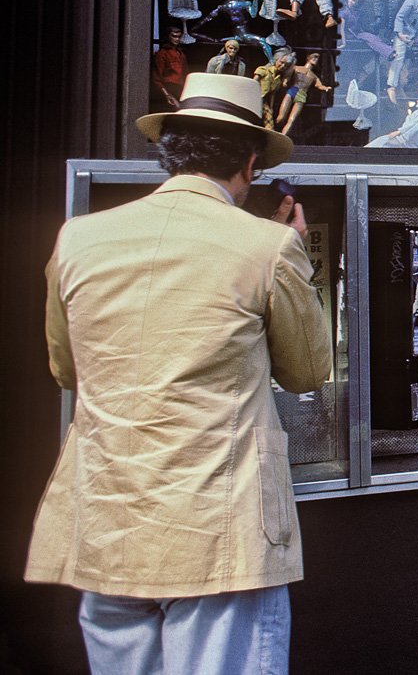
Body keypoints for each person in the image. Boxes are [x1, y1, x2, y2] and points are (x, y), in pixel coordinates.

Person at [25, 72, 331, 674]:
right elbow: (307, 371)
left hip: (108, 520)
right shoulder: (267, 245)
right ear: (249, 161)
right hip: (220, 529)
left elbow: (67, 370)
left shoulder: (79, 239)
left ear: (170, 152)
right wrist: (295, 261)